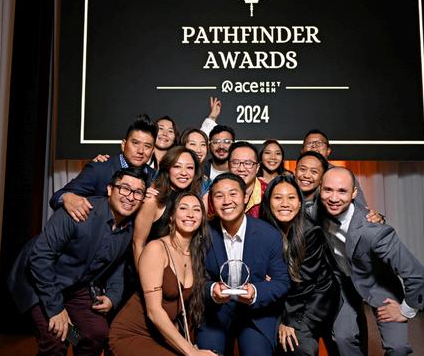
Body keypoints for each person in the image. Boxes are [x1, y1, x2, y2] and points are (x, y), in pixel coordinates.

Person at [8, 168, 148, 356]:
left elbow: (118, 264)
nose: (130, 197)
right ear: (109, 189)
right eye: (124, 188)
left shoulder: (131, 228)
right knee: (56, 340)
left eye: (138, 192)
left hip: (76, 285)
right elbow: (40, 258)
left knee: (95, 334)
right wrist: (56, 309)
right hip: (39, 279)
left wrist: (113, 296)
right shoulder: (79, 211)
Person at [318, 167, 424, 356]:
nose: (334, 198)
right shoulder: (315, 212)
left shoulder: (374, 231)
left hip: (379, 285)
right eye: (328, 190)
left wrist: (406, 310)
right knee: (343, 337)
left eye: (342, 191)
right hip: (343, 284)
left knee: (398, 348)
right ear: (320, 189)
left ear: (354, 193)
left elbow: (416, 273)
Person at [109, 192, 217, 356]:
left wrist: (189, 345)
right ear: (171, 216)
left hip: (161, 337)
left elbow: (179, 311)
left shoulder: (195, 255)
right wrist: (190, 352)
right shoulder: (156, 249)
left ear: (202, 218)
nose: (190, 214)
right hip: (131, 334)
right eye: (183, 208)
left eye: (196, 210)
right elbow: (154, 311)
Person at [196, 173, 290, 356]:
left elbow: (282, 281)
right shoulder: (203, 234)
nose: (226, 201)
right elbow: (194, 279)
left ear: (245, 197)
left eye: (233, 194)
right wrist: (212, 289)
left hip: (256, 314)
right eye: (219, 196)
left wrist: (255, 292)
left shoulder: (269, 235)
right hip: (215, 312)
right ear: (212, 202)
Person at [260, 175, 340, 356]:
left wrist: (289, 321)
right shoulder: (263, 228)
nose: (285, 204)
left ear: (300, 202)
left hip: (313, 296)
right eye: (278, 197)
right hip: (283, 295)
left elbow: (305, 282)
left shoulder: (311, 231)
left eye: (291, 197)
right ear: (268, 202)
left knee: (296, 343)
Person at [49, 114, 157, 222]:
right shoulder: (100, 169)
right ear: (123, 145)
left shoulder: (155, 177)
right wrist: (67, 197)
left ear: (152, 151)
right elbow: (57, 197)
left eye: (147, 146)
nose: (140, 151)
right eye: (135, 143)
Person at [133, 146, 203, 268]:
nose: (184, 172)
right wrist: (144, 275)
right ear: (167, 169)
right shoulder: (153, 200)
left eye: (189, 167)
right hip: (153, 269)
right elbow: (138, 244)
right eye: (177, 166)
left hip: (180, 270)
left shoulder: (194, 200)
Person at [300, 129, 368, 207]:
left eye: (319, 143)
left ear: (328, 151)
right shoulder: (299, 177)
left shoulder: (344, 175)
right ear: (302, 151)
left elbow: (361, 207)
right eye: (309, 143)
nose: (314, 146)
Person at [228, 141, 267, 218]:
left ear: (257, 168)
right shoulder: (218, 191)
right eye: (235, 162)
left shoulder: (268, 193)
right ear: (228, 166)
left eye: (248, 163)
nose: (241, 169)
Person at [181, 127, 211, 195]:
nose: (198, 150)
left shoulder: (206, 183)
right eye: (193, 144)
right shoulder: (169, 173)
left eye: (203, 145)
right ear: (183, 146)